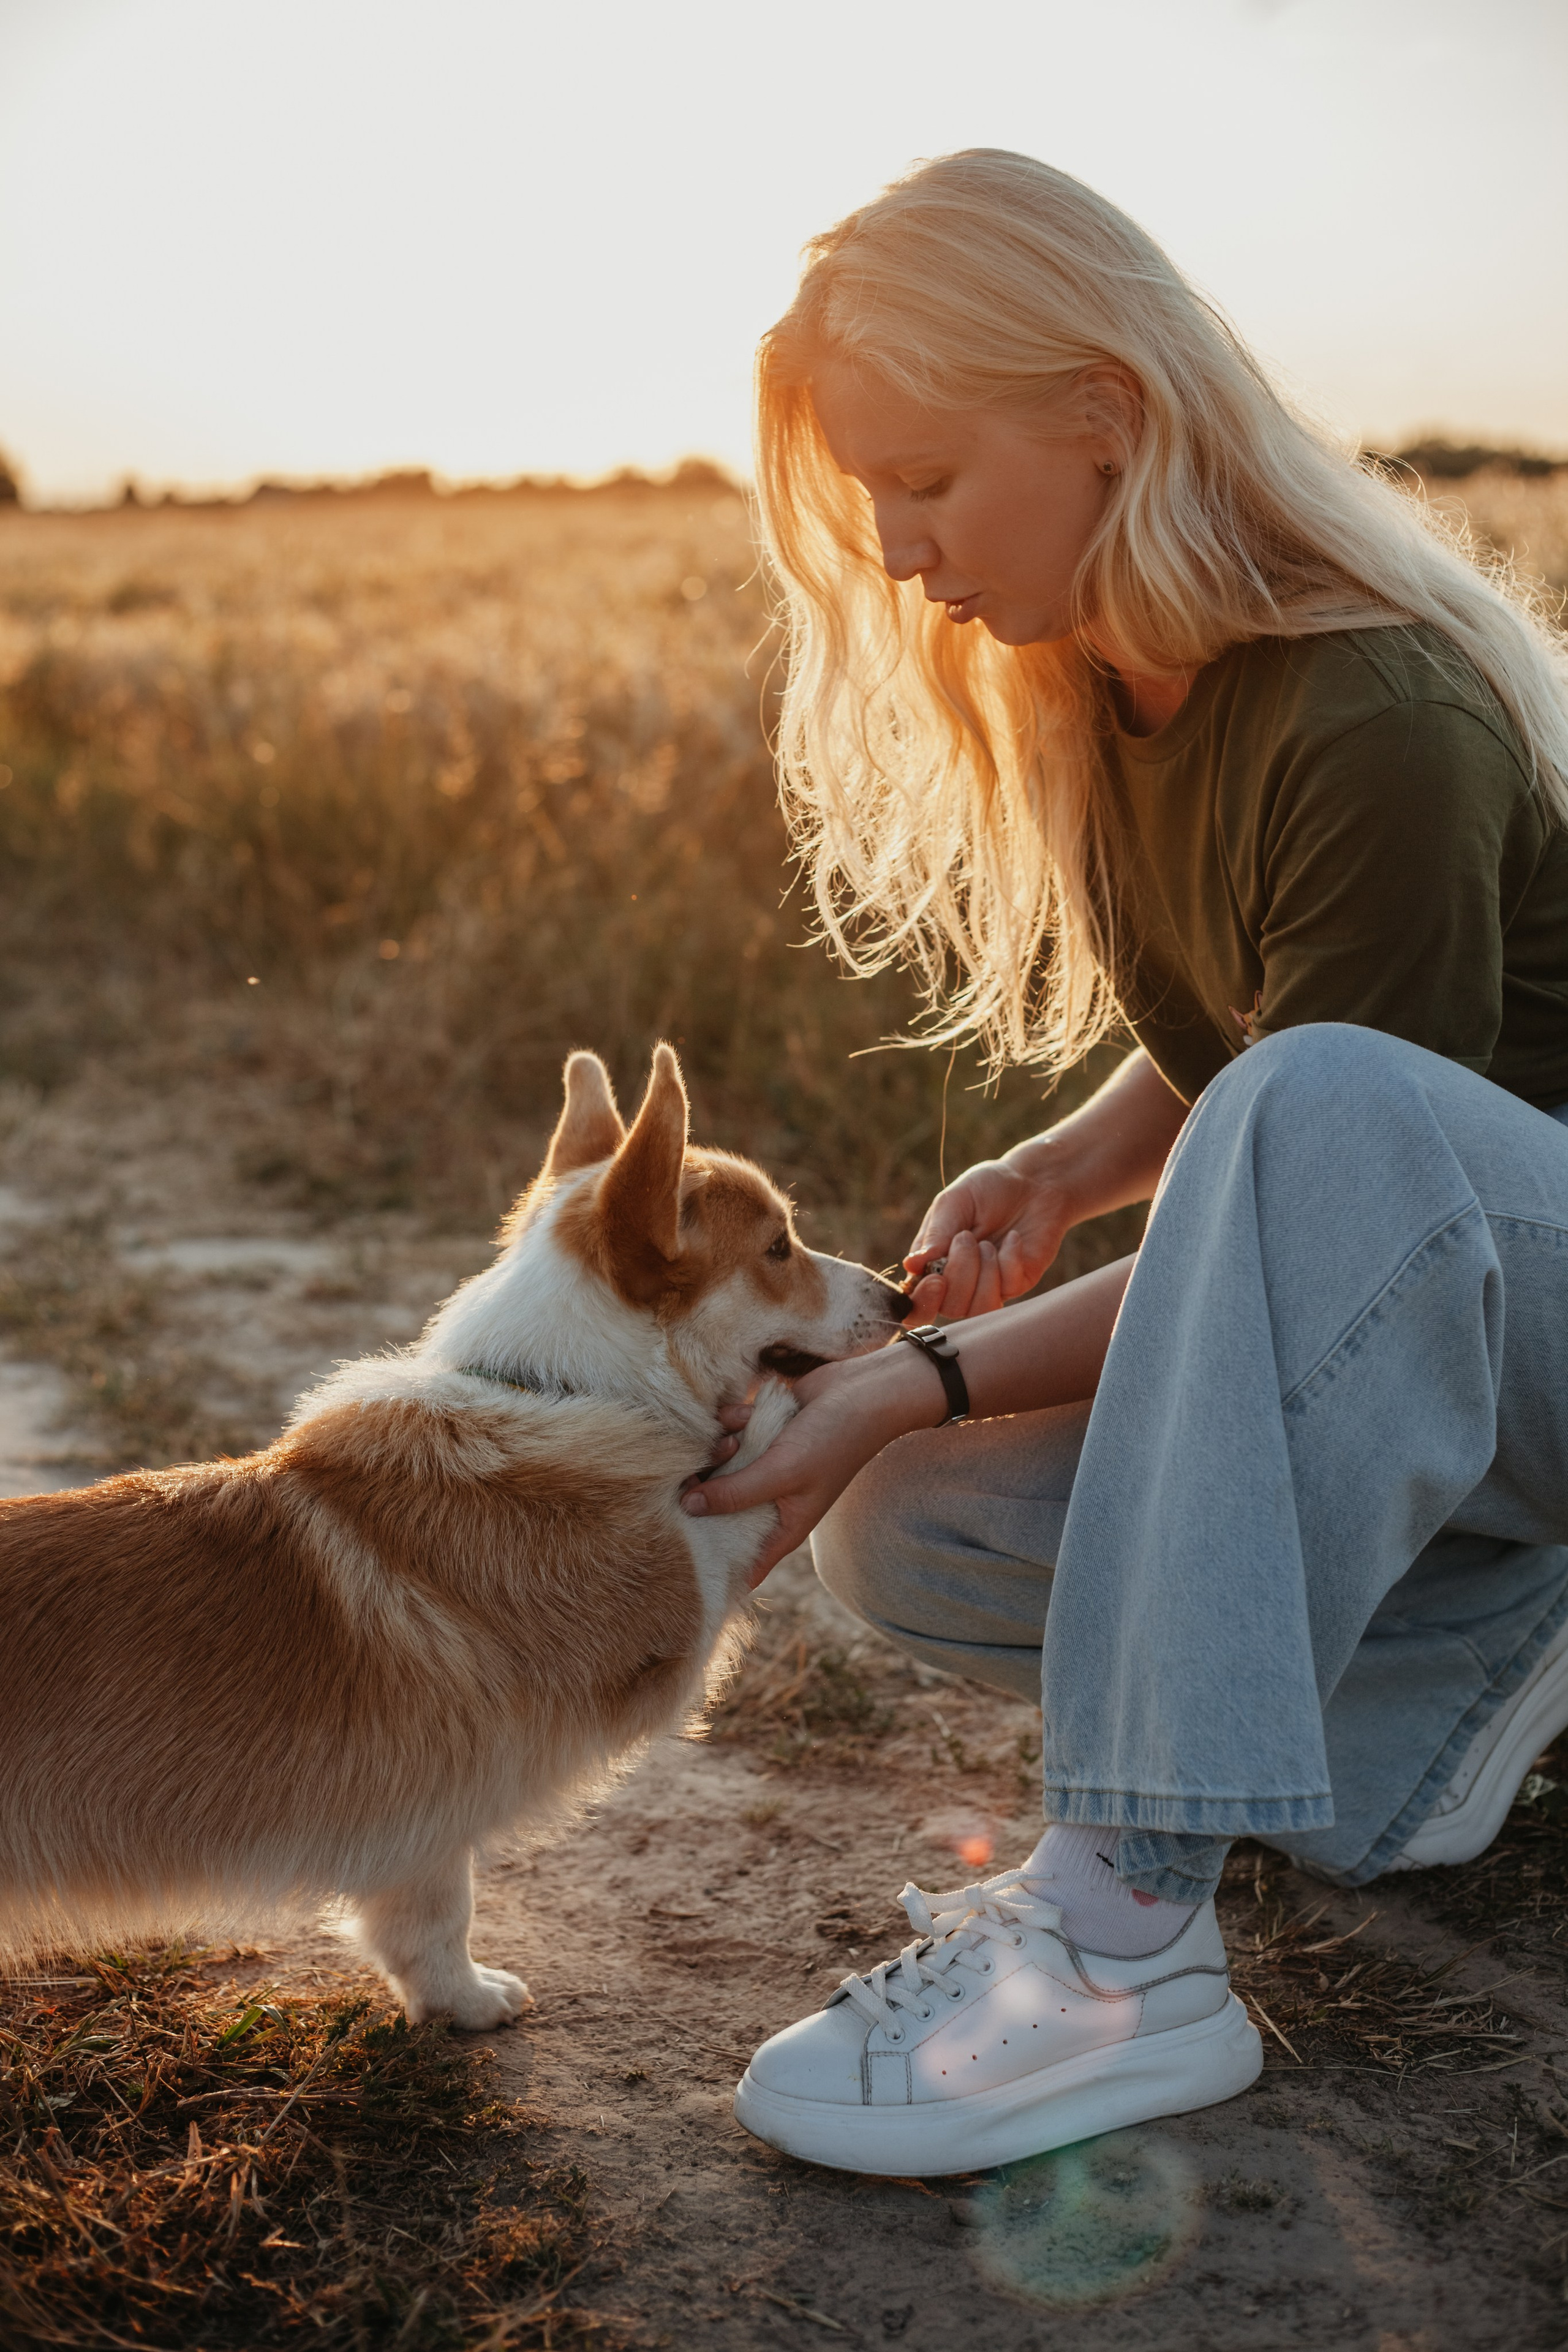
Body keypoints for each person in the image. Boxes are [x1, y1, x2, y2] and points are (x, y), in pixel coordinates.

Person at [677, 149, 1568, 2179]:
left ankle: (1123, 1941)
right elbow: (1244, 1059)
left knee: (1305, 1126)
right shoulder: (1103, 691)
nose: (899, 551)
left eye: (925, 478)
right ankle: (1464, 1664)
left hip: (1538, 1330)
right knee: (898, 1522)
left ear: (1103, 412)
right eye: (869, 500)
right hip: (1449, 1353)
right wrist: (1068, 1161)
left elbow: (1338, 1174)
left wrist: (912, 1367)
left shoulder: (1377, 707)